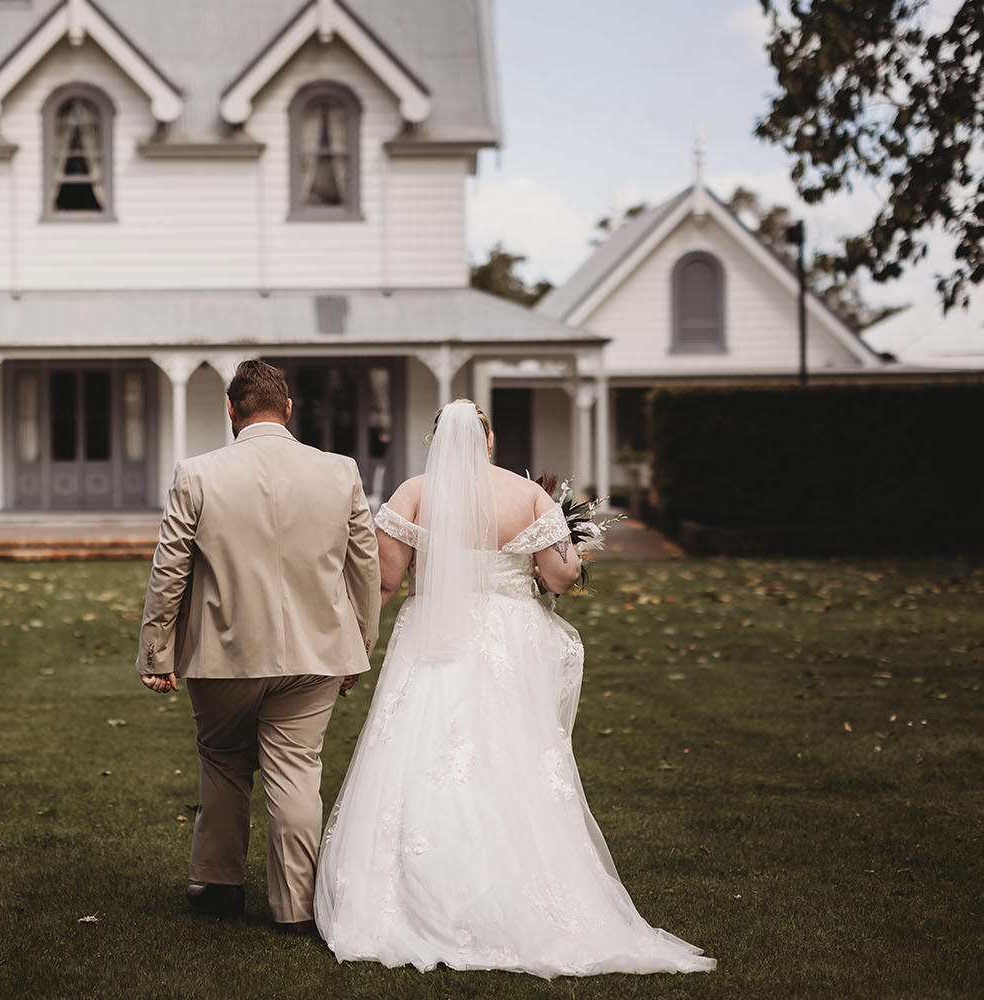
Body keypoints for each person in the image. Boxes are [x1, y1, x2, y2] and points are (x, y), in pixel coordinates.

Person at [313, 400, 715, 977]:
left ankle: (415, 891)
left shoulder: (414, 493)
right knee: (513, 755)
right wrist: (562, 551)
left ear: (434, 441)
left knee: (422, 750)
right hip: (508, 636)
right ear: (490, 442)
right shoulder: (527, 495)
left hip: (431, 632)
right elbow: (560, 575)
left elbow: (386, 580)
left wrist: (359, 645)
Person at [137, 359, 381, 934]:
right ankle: (296, 908)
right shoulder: (339, 470)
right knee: (298, 770)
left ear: (231, 411)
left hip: (225, 654)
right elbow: (364, 566)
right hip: (318, 651)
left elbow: (169, 568)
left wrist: (157, 650)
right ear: (288, 408)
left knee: (223, 762)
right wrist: (359, 646)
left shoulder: (196, 473)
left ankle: (218, 884)